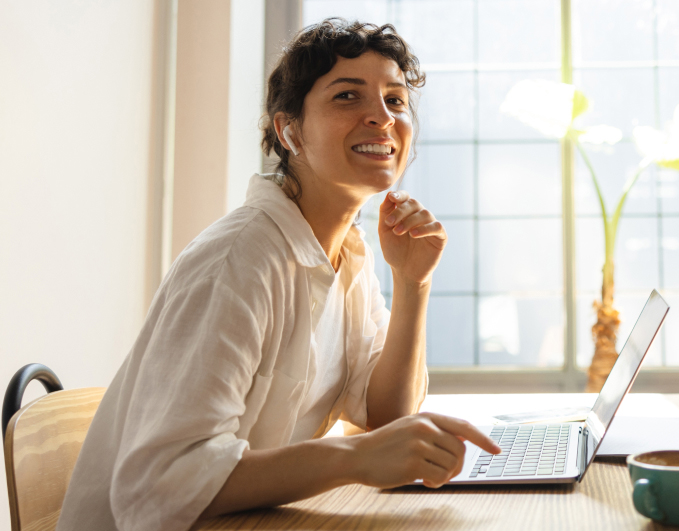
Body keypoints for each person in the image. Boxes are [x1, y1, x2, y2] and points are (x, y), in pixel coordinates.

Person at [57, 19, 499, 531]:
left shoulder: (348, 252)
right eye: (347, 97)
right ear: (290, 131)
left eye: (395, 100)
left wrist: (413, 283)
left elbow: (388, 418)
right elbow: (157, 488)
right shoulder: (238, 260)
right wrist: (353, 459)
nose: (381, 118)